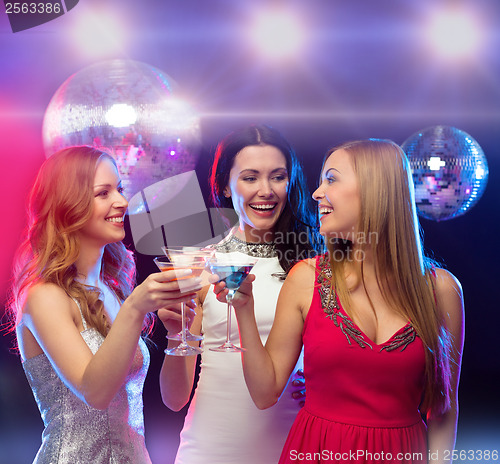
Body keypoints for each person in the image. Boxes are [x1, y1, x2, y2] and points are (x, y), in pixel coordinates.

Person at [214, 139, 465, 463]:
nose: (317, 193)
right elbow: (265, 393)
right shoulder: (306, 277)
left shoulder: (442, 289)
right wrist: (243, 309)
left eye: (331, 179)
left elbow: (443, 409)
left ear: (376, 191)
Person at [7, 146, 201, 464]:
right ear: (67, 206)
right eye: (103, 193)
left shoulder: (113, 291)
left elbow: (176, 400)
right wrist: (135, 308)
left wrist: (179, 334)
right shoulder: (44, 296)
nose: (122, 202)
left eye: (120, 189)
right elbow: (95, 393)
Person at [158, 124, 321, 464]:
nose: (266, 190)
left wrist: (327, 385)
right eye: (250, 178)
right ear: (224, 185)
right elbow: (174, 399)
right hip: (210, 449)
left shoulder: (315, 264)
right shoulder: (201, 264)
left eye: (278, 177)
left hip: (294, 446)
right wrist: (176, 337)